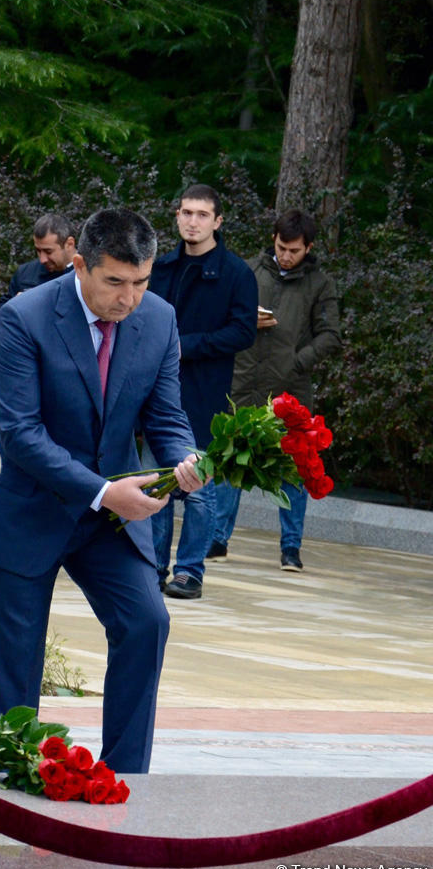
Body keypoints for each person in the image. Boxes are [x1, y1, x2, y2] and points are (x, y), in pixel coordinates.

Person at [0, 208, 205, 774]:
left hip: (109, 517)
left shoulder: (160, 319)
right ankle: (11, 773)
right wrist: (102, 492)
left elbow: (165, 415)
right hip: (29, 504)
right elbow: (20, 432)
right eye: (115, 281)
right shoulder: (24, 316)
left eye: (141, 282)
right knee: (17, 656)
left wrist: (184, 458)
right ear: (79, 264)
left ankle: (125, 775)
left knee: (147, 622)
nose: (129, 298)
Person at [210, 209, 341, 572]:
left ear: (308, 248)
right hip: (242, 380)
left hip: (290, 390)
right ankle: (217, 539)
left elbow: (331, 335)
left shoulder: (320, 284)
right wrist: (244, 321)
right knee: (228, 462)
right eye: (282, 247)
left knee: (294, 469)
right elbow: (217, 315)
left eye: (294, 250)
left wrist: (296, 362)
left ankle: (291, 548)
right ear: (274, 240)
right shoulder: (247, 271)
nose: (286, 255)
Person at [146, 185, 257, 600]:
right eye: (186, 212)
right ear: (177, 215)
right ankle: (153, 567)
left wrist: (186, 345)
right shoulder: (161, 267)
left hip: (205, 393)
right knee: (157, 483)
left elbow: (243, 332)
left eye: (202, 214)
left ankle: (190, 570)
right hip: (157, 391)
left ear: (218, 221)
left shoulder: (236, 273)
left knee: (199, 488)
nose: (192, 221)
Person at [8, 213, 76, 298]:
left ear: (69, 244)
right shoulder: (24, 275)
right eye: (38, 251)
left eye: (48, 251)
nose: (42, 260)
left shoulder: (88, 276)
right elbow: (2, 305)